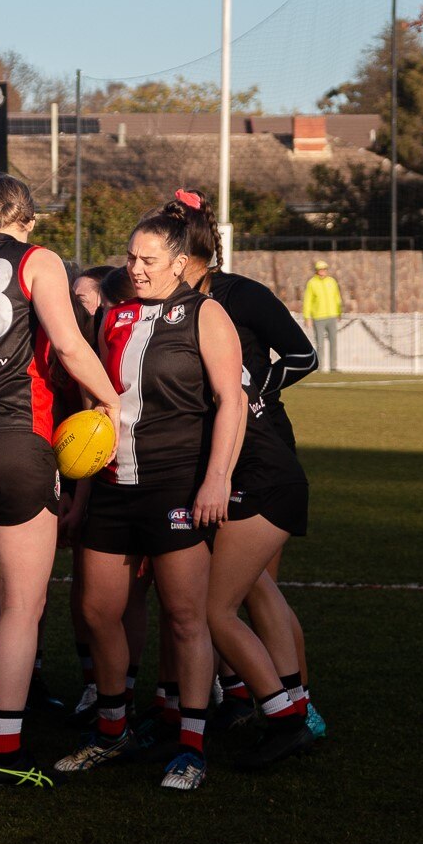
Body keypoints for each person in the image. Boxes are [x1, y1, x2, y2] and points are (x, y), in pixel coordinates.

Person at [0, 175, 122, 788]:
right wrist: (114, 405)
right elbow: (67, 345)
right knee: (21, 605)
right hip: (16, 435)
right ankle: (4, 753)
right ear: (28, 220)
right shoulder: (38, 260)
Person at [61, 196, 247, 791]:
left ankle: (191, 747)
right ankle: (113, 732)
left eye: (148, 260)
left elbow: (232, 401)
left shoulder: (205, 314)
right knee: (96, 611)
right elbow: (96, 407)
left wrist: (217, 477)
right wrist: (83, 495)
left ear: (177, 263)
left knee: (187, 618)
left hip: (175, 487)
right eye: (131, 257)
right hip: (113, 487)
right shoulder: (111, 317)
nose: (136, 269)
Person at [170, 190, 323, 752]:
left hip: (259, 446)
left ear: (187, 254)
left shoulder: (241, 295)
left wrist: (250, 392)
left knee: (255, 587)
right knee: (236, 588)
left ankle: (296, 705)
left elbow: (304, 357)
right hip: (215, 448)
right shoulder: (170, 303)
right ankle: (248, 697)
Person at [302, 260, 342, 372]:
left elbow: (337, 298)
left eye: (324, 269)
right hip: (318, 317)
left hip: (332, 315)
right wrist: (307, 317)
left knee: (333, 342)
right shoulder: (311, 283)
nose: (322, 271)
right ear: (317, 270)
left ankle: (333, 366)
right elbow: (307, 301)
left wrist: (339, 312)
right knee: (320, 343)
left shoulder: (332, 281)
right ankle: (320, 367)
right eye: (320, 269)